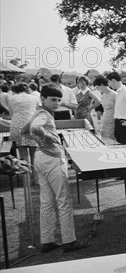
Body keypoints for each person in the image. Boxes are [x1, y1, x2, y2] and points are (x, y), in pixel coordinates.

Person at [21, 83, 90, 253]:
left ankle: (47, 240)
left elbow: (24, 130)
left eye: (59, 99)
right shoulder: (43, 114)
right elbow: (34, 128)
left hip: (41, 156)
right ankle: (69, 240)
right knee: (64, 201)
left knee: (47, 202)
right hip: (52, 159)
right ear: (42, 98)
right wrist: (49, 137)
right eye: (53, 99)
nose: (57, 102)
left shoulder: (39, 112)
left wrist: (41, 140)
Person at [7, 82, 39, 185]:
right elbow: (38, 111)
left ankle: (27, 180)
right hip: (31, 124)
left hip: (17, 124)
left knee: (23, 155)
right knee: (34, 154)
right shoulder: (34, 97)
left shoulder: (12, 98)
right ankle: (36, 178)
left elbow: (11, 114)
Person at [107, 72, 126, 145]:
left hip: (124, 123)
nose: (109, 84)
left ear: (114, 80)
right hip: (119, 123)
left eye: (109, 82)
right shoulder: (119, 92)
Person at [93, 75, 117, 145]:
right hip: (105, 120)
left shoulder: (114, 94)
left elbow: (118, 109)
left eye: (98, 87)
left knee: (112, 140)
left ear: (102, 85)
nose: (97, 89)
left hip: (113, 120)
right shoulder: (103, 96)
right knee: (105, 139)